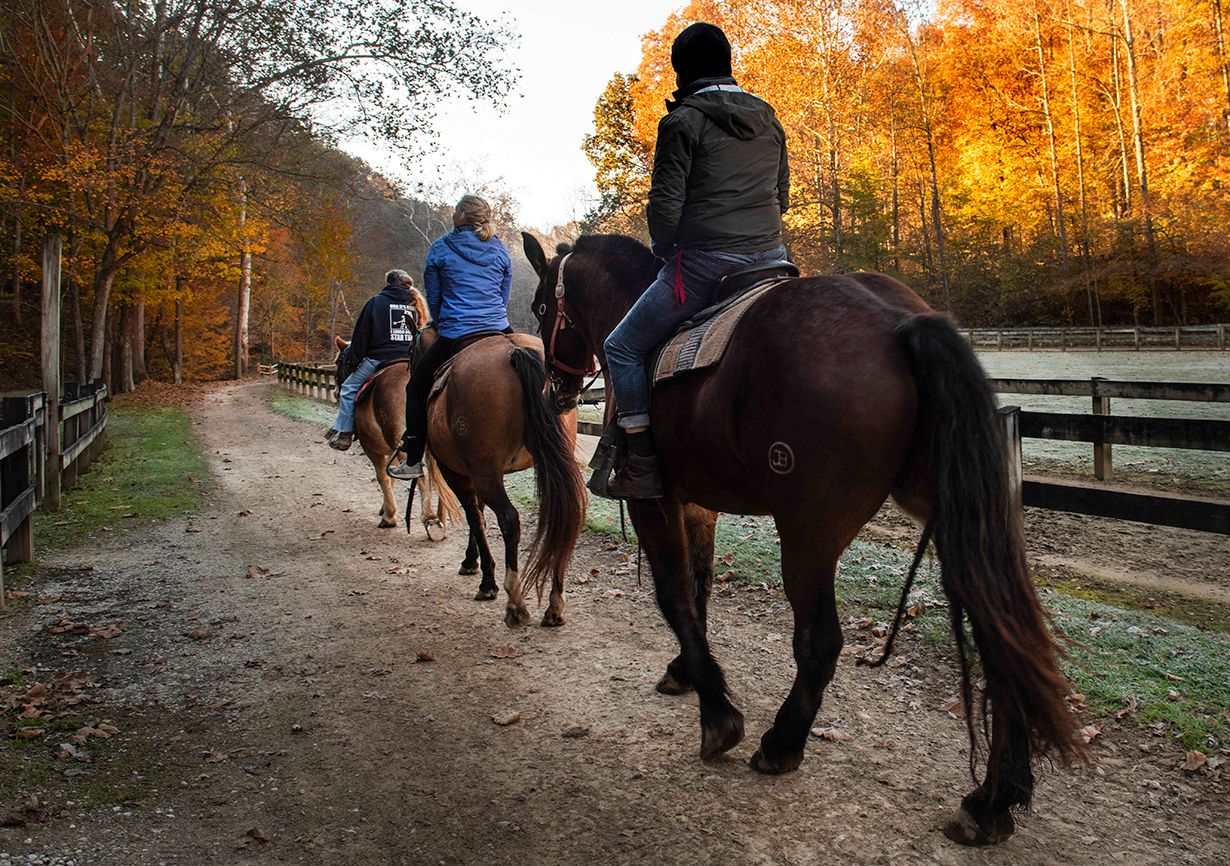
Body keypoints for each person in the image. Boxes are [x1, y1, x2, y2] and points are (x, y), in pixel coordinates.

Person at [603, 21, 791, 499]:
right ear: (729, 64)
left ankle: (642, 462)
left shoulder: (681, 121)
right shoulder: (768, 116)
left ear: (680, 73)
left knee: (621, 347)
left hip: (709, 266)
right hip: (772, 261)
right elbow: (782, 197)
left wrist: (666, 248)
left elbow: (665, 210)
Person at [388, 195, 513, 480]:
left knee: (416, 387)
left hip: (457, 330)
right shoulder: (500, 249)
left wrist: (443, 322)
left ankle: (413, 460)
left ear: (460, 216)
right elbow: (503, 295)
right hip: (498, 327)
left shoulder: (440, 248)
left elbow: (435, 297)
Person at [326, 269, 419, 451]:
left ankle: (345, 433)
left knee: (348, 389)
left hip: (379, 358)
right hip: (409, 360)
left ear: (389, 283)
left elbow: (361, 336)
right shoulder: (413, 304)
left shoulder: (376, 302)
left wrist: (354, 362)